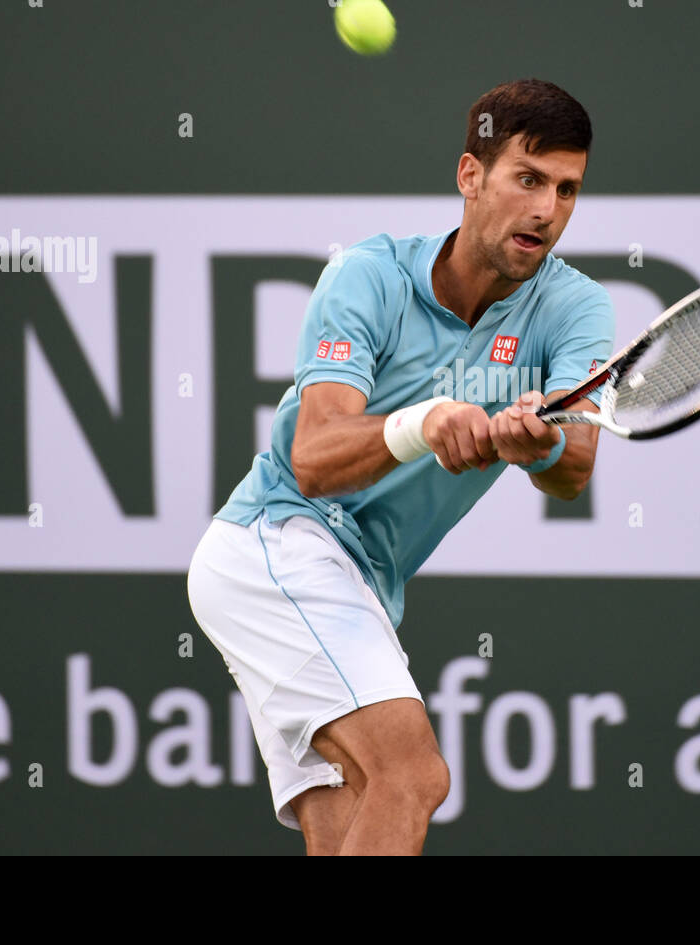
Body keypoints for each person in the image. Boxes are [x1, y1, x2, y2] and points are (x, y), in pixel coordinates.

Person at [187, 78, 614, 854]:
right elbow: (313, 459)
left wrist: (536, 442)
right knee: (413, 774)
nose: (547, 210)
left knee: (349, 819)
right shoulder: (368, 276)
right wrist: (426, 423)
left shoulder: (576, 307)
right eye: (528, 178)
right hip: (275, 545)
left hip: (362, 582)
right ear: (470, 176)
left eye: (567, 189)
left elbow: (574, 464)